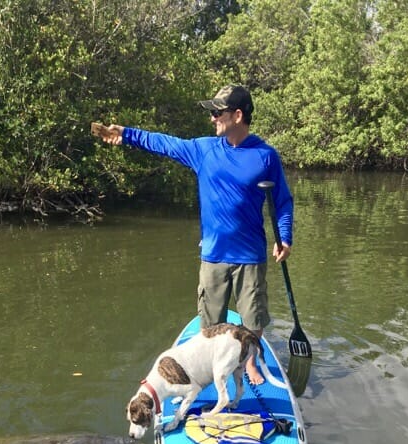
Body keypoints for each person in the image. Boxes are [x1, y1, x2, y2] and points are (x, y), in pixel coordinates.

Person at [94, 85, 293, 385]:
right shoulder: (204, 150)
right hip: (213, 254)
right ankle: (215, 368)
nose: (212, 118)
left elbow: (283, 201)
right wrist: (126, 134)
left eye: (217, 112)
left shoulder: (266, 157)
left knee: (252, 321)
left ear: (238, 115)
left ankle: (250, 363)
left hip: (250, 255)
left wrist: (286, 237)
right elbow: (164, 143)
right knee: (210, 325)